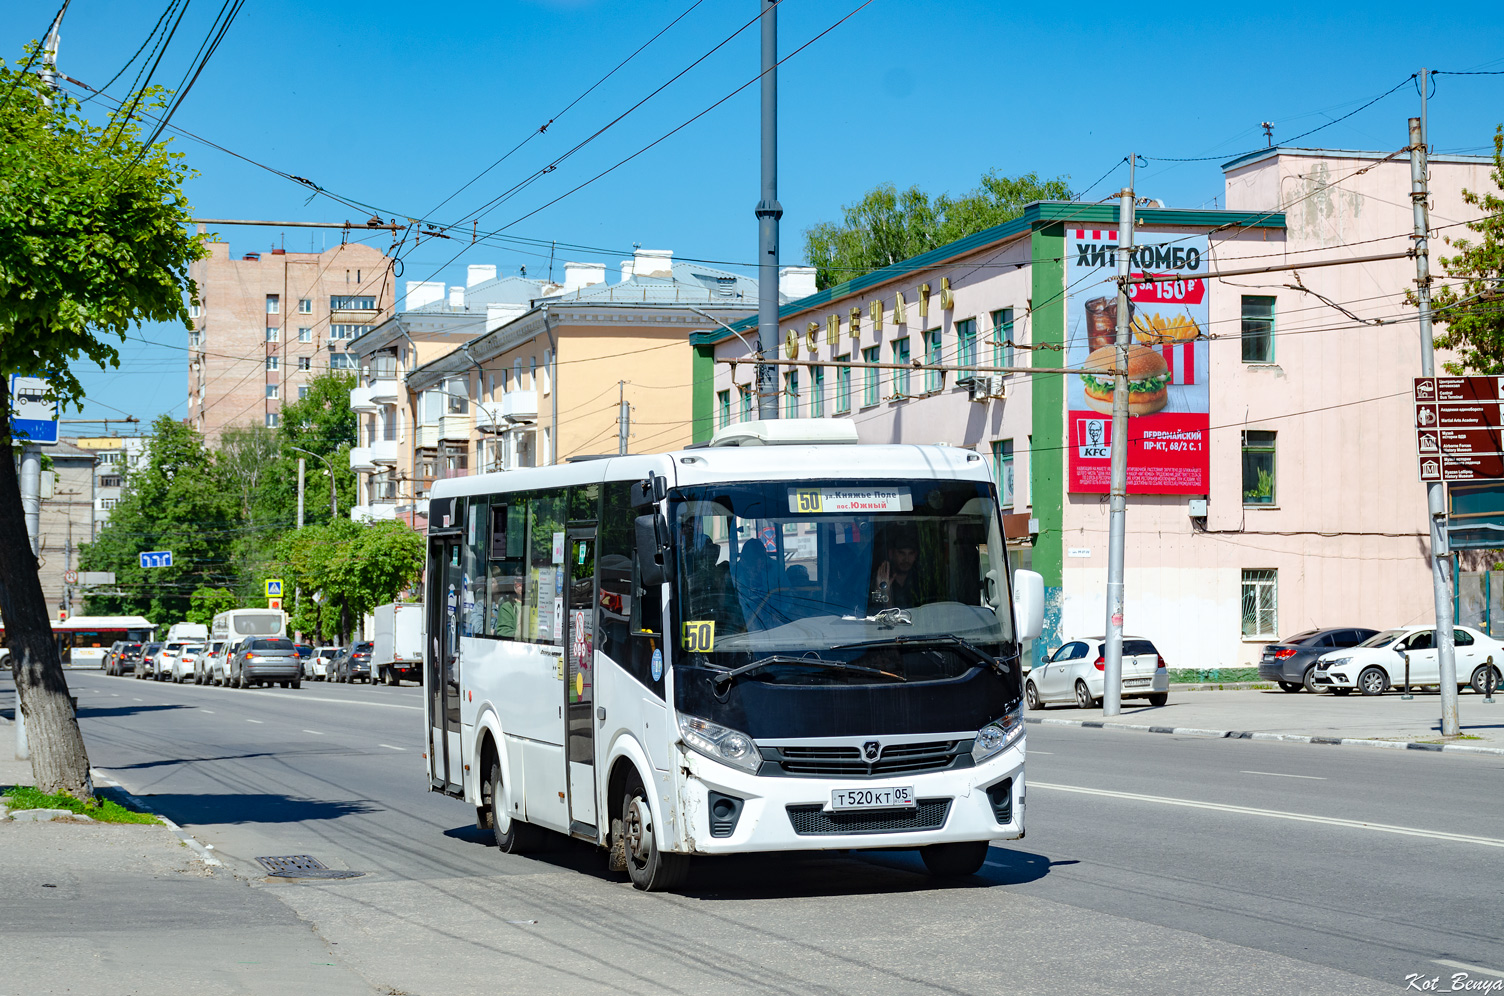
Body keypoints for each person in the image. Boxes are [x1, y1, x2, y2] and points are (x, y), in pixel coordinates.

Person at [871, 524, 923, 610]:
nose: (906, 559)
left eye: (911, 553)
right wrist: (882, 593)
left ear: (916, 555)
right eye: (901, 553)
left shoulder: (919, 582)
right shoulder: (878, 580)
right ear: (891, 554)